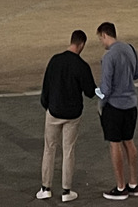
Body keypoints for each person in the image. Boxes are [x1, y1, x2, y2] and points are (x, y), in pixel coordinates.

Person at [37, 28, 96, 201]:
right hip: (72, 114)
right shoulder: (81, 65)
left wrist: (47, 106)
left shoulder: (55, 61)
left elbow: (45, 87)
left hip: (54, 111)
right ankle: (66, 191)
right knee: (68, 150)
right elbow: (90, 91)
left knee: (49, 148)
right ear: (82, 44)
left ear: (71, 41)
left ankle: (45, 187)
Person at [96, 22, 138, 200]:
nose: (102, 42)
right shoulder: (130, 49)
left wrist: (100, 103)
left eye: (101, 38)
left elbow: (106, 87)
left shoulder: (109, 57)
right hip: (131, 104)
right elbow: (137, 74)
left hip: (114, 106)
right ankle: (133, 183)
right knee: (129, 141)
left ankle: (120, 187)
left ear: (105, 35)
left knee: (114, 143)